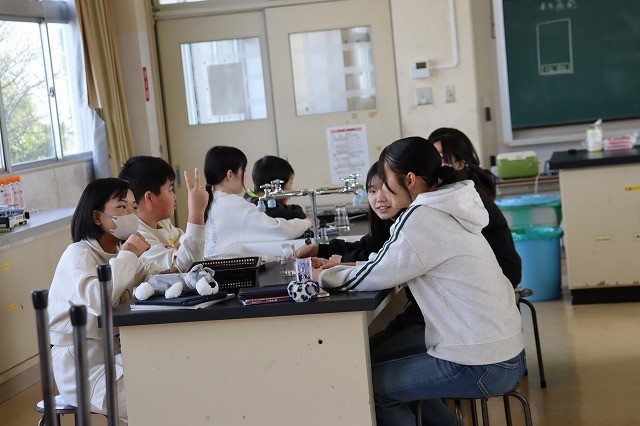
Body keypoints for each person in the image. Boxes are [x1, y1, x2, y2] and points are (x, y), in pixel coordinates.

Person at [314, 137, 525, 426]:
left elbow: (376, 274)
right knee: (388, 373)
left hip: (480, 362)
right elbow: (389, 262)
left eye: (386, 181)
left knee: (368, 385)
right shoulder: (451, 202)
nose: (382, 192)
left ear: (409, 180)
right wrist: (343, 265)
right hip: (502, 352)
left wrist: (321, 276)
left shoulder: (422, 217)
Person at [48, 178, 166, 421]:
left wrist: (171, 273)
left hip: (117, 355)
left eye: (134, 207)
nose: (131, 214)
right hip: (83, 366)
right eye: (121, 207)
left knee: (170, 382)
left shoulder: (118, 253)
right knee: (152, 403)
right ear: (96, 216)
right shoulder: (78, 255)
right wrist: (129, 254)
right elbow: (97, 299)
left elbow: (153, 273)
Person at [428, 128, 521, 286]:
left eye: (441, 158)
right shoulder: (460, 188)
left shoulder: (462, 195)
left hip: (501, 274)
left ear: (460, 165)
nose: (434, 164)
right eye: (432, 157)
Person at [203, 146, 312, 257]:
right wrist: (307, 222)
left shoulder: (208, 201)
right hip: (227, 266)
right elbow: (280, 231)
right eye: (243, 171)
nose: (245, 177)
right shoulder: (233, 204)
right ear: (230, 175)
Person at [296, 161, 399, 263]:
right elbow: (363, 246)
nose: (380, 199)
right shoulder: (386, 225)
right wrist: (319, 249)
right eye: (372, 191)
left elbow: (386, 260)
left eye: (387, 189)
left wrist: (344, 260)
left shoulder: (404, 228)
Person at [119, 155, 209, 271]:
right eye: (170, 190)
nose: (175, 196)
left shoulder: (163, 223)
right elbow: (182, 267)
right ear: (149, 198)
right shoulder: (138, 237)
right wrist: (196, 212)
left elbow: (193, 249)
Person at [246, 155, 307, 219]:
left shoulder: (249, 201)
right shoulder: (267, 209)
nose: (291, 188)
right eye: (290, 183)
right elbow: (297, 215)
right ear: (275, 186)